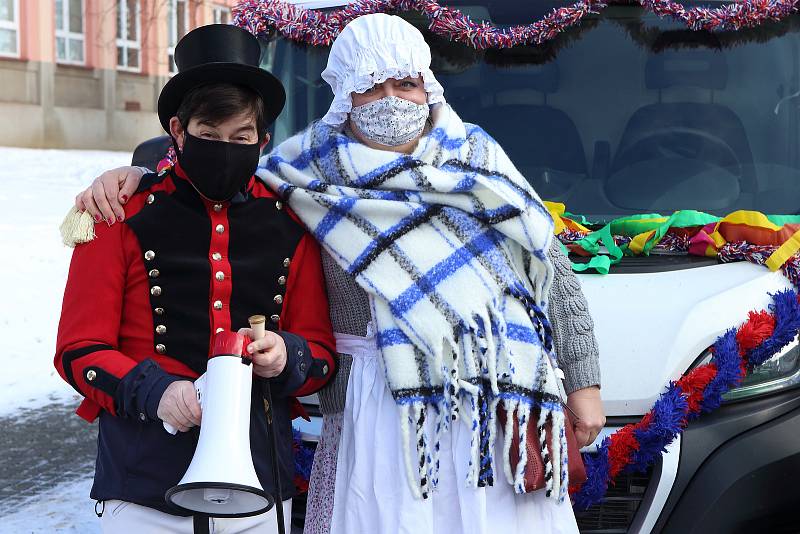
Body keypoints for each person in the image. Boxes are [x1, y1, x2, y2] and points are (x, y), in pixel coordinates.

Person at [74, 15, 605, 534]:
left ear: (430, 88)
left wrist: (583, 383)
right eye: (372, 86)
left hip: (489, 395)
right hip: (376, 407)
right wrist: (135, 176)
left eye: (407, 83)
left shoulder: (478, 156)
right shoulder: (305, 173)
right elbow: (212, 174)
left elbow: (548, 261)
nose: (393, 99)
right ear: (346, 95)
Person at [55, 24, 335, 534]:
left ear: (262, 140)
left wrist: (286, 355)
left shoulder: (292, 226)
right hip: (143, 484)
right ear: (178, 132)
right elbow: (78, 351)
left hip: (259, 485)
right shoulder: (116, 215)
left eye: (241, 137)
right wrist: (158, 393)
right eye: (208, 135)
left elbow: (320, 355)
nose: (225, 148)